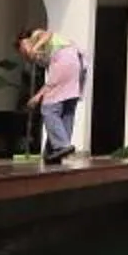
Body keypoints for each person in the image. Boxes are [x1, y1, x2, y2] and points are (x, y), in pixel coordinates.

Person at [17, 26, 87, 168]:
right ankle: (52, 152)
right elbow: (53, 81)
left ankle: (61, 145)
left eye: (22, 47)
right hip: (77, 64)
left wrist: (34, 47)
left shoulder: (35, 36)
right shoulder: (50, 53)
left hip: (67, 62)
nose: (25, 53)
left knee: (49, 109)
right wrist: (38, 95)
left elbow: (47, 34)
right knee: (66, 107)